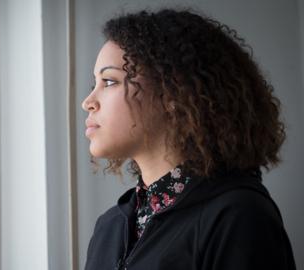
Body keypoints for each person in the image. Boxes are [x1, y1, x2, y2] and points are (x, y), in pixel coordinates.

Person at [81, 8, 296, 270]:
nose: (88, 102)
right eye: (94, 84)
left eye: (109, 81)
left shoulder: (238, 217)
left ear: (172, 93)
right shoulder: (109, 227)